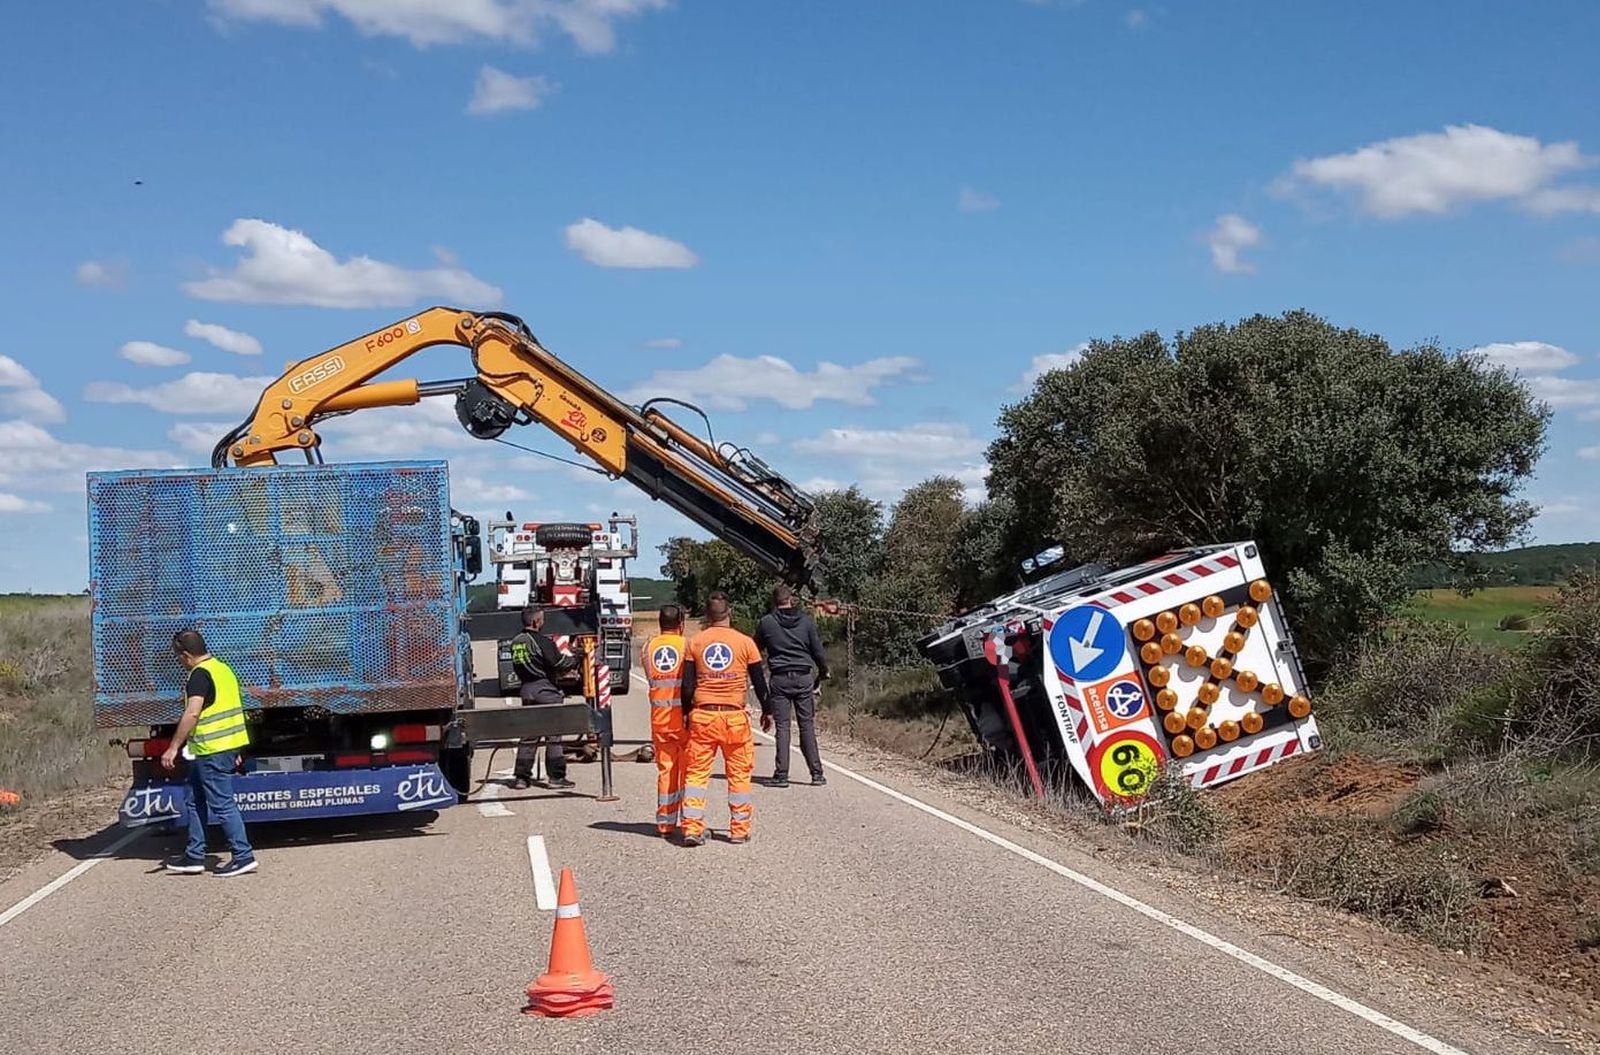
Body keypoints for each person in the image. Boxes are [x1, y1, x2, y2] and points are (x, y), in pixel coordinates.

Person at [162, 629, 257, 877]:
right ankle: (194, 856)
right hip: (220, 747)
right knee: (194, 800)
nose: (179, 662)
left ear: (185, 655)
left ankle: (243, 855)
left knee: (222, 803)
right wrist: (236, 749)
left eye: (179, 658)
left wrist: (173, 747)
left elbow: (192, 713)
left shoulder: (199, 675)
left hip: (211, 750)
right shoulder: (223, 669)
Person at [679, 592, 768, 846]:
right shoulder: (745, 643)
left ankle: (692, 829)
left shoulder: (695, 643)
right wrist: (768, 711)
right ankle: (739, 830)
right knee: (739, 775)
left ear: (707, 616)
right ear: (730, 612)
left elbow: (686, 686)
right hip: (734, 719)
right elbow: (760, 683)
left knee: (696, 774)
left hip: (704, 716)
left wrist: (686, 713)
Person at [753, 584, 830, 787]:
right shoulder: (806, 622)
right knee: (806, 725)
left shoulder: (766, 623)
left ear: (774, 601)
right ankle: (816, 773)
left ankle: (781, 774)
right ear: (791, 599)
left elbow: (754, 649)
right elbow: (817, 651)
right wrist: (823, 672)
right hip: (804, 677)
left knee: (783, 727)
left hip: (779, 678)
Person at [510, 606, 578, 790]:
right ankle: (556, 777)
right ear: (535, 622)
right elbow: (558, 662)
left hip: (526, 690)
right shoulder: (542, 641)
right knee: (553, 736)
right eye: (542, 620)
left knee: (528, 736)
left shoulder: (516, 642)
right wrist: (576, 657)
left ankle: (521, 778)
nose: (543, 623)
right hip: (546, 691)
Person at [642, 604, 689, 837]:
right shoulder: (687, 646)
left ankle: (665, 823)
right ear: (680, 624)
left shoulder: (648, 648)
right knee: (690, 771)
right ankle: (690, 823)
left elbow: (652, 680)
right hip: (684, 719)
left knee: (666, 770)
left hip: (659, 720)